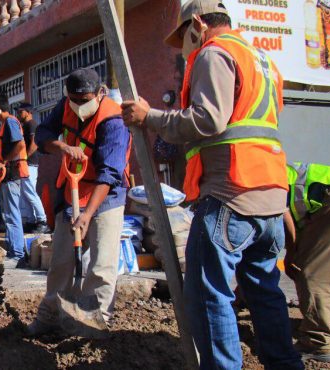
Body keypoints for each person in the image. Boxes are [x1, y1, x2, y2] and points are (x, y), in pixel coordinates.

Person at [120, 1, 303, 368]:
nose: (185, 49)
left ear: (198, 24)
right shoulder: (261, 60)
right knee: (264, 293)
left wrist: (149, 116)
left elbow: (209, 119)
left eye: (185, 38)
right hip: (269, 195)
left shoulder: (213, 53)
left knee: (208, 296)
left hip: (230, 192)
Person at [27, 68, 130, 335]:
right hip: (72, 189)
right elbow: (42, 135)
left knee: (100, 264)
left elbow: (109, 174)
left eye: (86, 100)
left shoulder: (113, 121)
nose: (80, 105)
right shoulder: (65, 105)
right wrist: (61, 147)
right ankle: (51, 316)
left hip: (106, 195)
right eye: (75, 99)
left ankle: (93, 322)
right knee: (61, 259)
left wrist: (88, 214)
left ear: (100, 93)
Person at [283, 162, 330, 363]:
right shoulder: (270, 162)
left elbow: (283, 214)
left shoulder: (253, 177)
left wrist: (291, 252)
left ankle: (317, 343)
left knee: (313, 273)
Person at [0, 93, 29, 268]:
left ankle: (17, 254)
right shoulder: (4, 124)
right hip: (5, 174)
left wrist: (4, 162)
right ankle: (14, 251)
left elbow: (19, 145)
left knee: (12, 214)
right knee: (8, 214)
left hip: (11, 173)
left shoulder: (11, 122)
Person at [17, 103, 49, 234]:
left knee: (30, 192)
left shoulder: (32, 125)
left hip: (30, 163)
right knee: (25, 193)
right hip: (26, 163)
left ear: (28, 112)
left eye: (20, 111)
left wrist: (24, 158)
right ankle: (31, 221)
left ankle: (42, 221)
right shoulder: (25, 126)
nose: (19, 114)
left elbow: (34, 144)